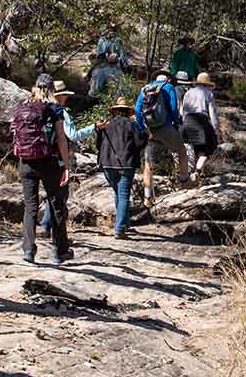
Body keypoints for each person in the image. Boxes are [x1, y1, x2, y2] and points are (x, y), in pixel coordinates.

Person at [11, 74, 75, 264]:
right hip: (49, 162)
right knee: (56, 205)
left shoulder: (22, 106)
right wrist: (66, 165)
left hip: (26, 162)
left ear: (35, 87)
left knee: (30, 206)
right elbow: (61, 139)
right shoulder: (55, 109)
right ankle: (61, 251)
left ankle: (28, 250)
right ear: (52, 89)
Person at [37, 88, 93, 238]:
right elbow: (72, 135)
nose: (66, 98)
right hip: (59, 158)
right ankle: (56, 233)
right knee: (61, 195)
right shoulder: (61, 112)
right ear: (60, 96)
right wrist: (93, 128)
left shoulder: (40, 109)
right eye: (65, 95)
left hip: (41, 157)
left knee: (51, 193)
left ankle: (46, 226)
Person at [133, 68, 188, 204]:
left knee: (148, 164)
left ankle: (147, 197)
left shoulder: (144, 89)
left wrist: (142, 128)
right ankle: (184, 182)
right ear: (168, 79)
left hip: (151, 130)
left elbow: (137, 110)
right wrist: (177, 122)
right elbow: (173, 108)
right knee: (181, 151)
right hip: (166, 127)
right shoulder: (168, 87)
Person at [95, 98, 148, 238]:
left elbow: (98, 145)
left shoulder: (105, 124)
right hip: (126, 163)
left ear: (115, 111)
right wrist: (147, 135)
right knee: (123, 195)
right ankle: (119, 229)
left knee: (119, 194)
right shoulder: (132, 125)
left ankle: (124, 223)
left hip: (106, 163)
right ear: (127, 111)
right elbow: (139, 143)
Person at [181, 71, 222, 178]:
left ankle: (187, 175)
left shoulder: (188, 93)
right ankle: (197, 172)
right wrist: (216, 130)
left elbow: (182, 111)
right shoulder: (208, 94)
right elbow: (212, 114)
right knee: (205, 150)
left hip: (187, 121)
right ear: (207, 84)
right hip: (201, 122)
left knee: (189, 147)